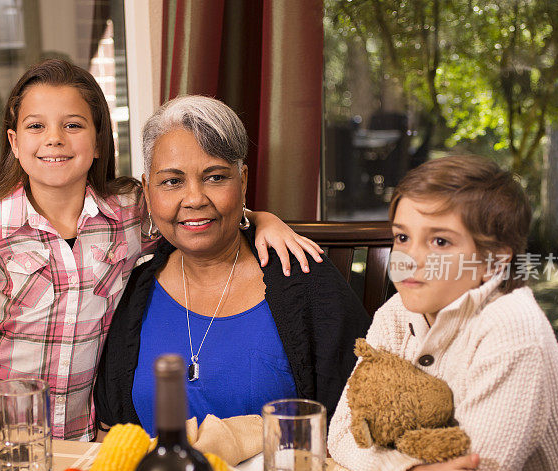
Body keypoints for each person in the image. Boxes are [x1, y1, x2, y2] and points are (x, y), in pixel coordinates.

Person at [0, 60, 324, 451]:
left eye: (73, 125)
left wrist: (263, 219)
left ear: (99, 141)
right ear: (15, 143)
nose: (54, 139)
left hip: (82, 436)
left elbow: (197, 214)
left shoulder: (127, 213)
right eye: (37, 126)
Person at [327, 155, 558, 471]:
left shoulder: (513, 328)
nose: (410, 259)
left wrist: (379, 457)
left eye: (439, 241)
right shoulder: (394, 314)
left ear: (495, 261)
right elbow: (341, 433)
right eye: (402, 237)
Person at [93, 95, 371, 436]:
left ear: (243, 181)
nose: (194, 199)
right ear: (148, 191)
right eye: (172, 181)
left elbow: (361, 424)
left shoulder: (304, 279)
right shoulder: (132, 288)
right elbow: (110, 431)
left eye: (215, 177)